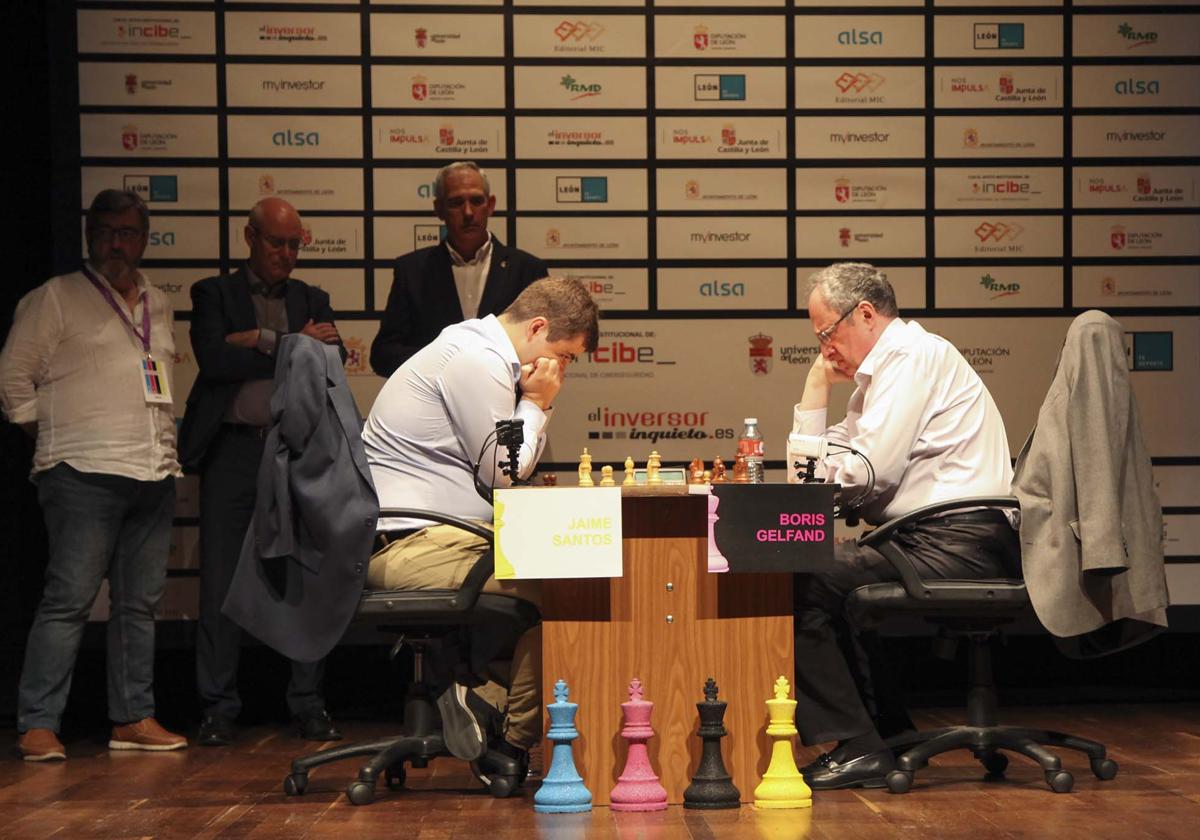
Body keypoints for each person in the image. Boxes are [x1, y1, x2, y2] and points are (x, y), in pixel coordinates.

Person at [790, 262, 1019, 789]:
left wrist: (817, 414)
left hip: (961, 540)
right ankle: (884, 736)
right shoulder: (881, 376)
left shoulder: (911, 357)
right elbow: (819, 473)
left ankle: (858, 745)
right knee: (823, 575)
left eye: (826, 333)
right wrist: (814, 387)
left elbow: (866, 471)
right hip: (933, 537)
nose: (825, 349)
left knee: (801, 576)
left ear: (864, 313)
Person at [363, 276, 599, 773]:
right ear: (537, 327)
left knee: (563, 581)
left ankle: (480, 697)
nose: (562, 370)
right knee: (563, 594)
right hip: (409, 547)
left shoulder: (474, 349)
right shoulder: (479, 360)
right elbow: (504, 471)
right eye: (565, 355)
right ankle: (511, 744)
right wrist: (537, 403)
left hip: (437, 540)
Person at [1, 189, 186, 760]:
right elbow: (13, 383)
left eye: (127, 233)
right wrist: (58, 443)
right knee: (69, 600)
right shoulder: (54, 298)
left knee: (138, 605)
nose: (115, 244)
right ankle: (37, 722)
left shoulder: (158, 300)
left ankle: (132, 717)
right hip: (79, 471)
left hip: (152, 470)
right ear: (89, 235)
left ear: (144, 238)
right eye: (104, 232)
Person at [177, 197, 346, 747]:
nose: (287, 253)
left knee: (300, 578)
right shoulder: (212, 293)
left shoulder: (312, 297)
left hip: (295, 451)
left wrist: (256, 340)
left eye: (296, 243)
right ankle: (218, 708)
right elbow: (214, 360)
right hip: (232, 453)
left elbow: (329, 364)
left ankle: (308, 703)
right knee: (220, 583)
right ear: (249, 237)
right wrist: (290, 344)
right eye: (277, 242)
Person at [370, 161, 549, 377]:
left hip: (507, 404)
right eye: (456, 203)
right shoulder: (412, 271)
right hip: (433, 405)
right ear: (439, 209)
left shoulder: (527, 270)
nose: (468, 212)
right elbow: (383, 355)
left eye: (476, 201)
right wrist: (444, 363)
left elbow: (546, 347)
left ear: (490, 205)